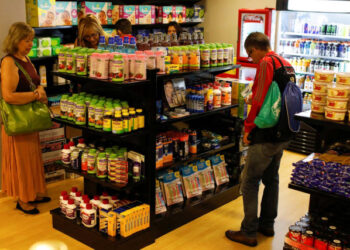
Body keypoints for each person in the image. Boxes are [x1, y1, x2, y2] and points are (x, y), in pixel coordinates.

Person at [225, 32, 294, 247]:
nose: (251, 59)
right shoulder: (286, 63)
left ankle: (248, 232)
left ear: (254, 48)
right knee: (271, 179)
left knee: (250, 181)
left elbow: (259, 98)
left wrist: (248, 127)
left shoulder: (266, 63)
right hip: (284, 132)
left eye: (250, 54)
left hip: (265, 133)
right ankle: (267, 224)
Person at [1, 22, 50, 214]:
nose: (30, 43)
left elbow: (34, 83)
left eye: (31, 39)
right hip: (18, 120)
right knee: (21, 161)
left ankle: (32, 192)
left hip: (28, 118)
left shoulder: (25, 58)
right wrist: (36, 96)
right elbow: (8, 96)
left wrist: (39, 91)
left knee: (31, 158)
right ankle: (23, 199)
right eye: (26, 40)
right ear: (16, 40)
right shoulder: (8, 62)